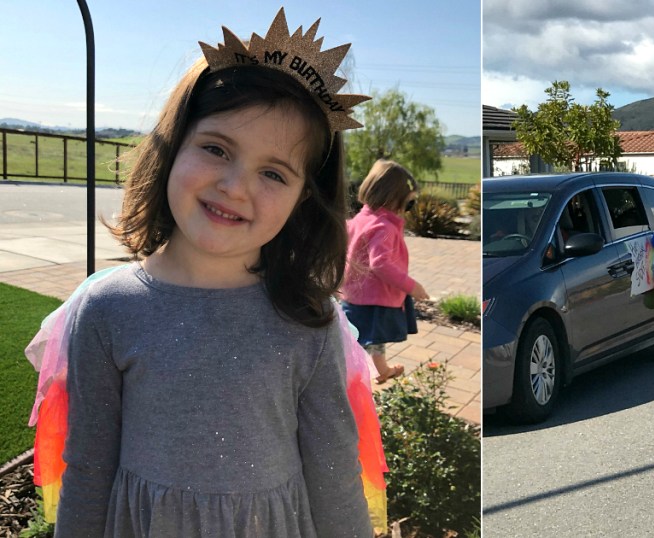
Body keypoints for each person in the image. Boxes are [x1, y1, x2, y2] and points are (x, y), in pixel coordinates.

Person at [25, 9, 385, 537]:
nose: (235, 186)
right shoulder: (107, 310)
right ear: (173, 147)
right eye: (216, 148)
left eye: (272, 172)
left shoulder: (309, 321)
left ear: (303, 200)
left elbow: (334, 474)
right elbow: (88, 467)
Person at [342, 159, 430, 384]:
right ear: (395, 199)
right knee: (367, 339)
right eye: (408, 203)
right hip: (375, 298)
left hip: (355, 295)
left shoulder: (358, 221)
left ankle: (378, 370)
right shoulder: (383, 228)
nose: (408, 208)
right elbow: (380, 264)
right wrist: (413, 286)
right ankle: (356, 377)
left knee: (362, 338)